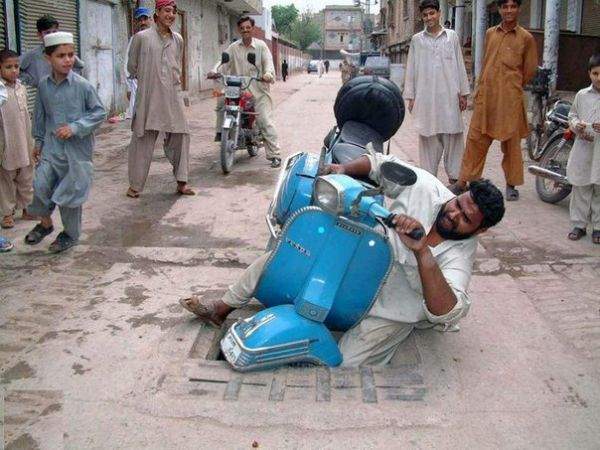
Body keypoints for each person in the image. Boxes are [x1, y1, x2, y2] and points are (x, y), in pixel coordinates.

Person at [180, 152, 505, 366]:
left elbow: (446, 310)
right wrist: (342, 169)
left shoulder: (462, 253)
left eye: (465, 219)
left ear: (482, 231)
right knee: (285, 257)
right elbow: (378, 162)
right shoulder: (425, 187)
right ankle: (220, 309)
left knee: (345, 363)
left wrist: (423, 253)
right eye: (458, 204)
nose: (453, 214)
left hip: (395, 307)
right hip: (365, 262)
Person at [24, 32, 106, 253]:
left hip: (77, 152)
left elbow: (99, 112)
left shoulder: (82, 86)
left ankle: (69, 235)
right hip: (51, 148)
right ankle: (46, 224)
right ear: (47, 58)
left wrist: (76, 127)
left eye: (71, 54)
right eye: (61, 55)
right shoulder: (43, 86)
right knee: (40, 186)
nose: (68, 59)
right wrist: (38, 142)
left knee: (70, 197)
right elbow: (40, 115)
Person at [448, 0, 537, 201]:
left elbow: (529, 70)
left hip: (510, 99)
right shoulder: (490, 33)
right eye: (505, 7)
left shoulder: (526, 38)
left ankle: (511, 184)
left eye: (513, 6)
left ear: (519, 9)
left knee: (512, 144)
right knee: (475, 140)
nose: (509, 10)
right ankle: (464, 181)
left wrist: (510, 85)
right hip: (486, 96)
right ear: (498, 9)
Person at [126, 0, 195, 198]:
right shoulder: (142, 38)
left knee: (182, 134)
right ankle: (135, 186)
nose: (171, 15)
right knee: (142, 139)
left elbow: (176, 67)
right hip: (148, 95)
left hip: (172, 95)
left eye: (173, 11)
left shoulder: (178, 39)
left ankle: (182, 182)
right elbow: (132, 67)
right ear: (157, 12)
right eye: (167, 10)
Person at [404, 0, 470, 185]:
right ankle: (429, 182)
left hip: (450, 98)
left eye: (432, 13)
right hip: (426, 100)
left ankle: (456, 180)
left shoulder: (452, 37)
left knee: (454, 138)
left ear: (439, 13)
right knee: (427, 137)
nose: (429, 18)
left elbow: (459, 65)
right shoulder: (417, 40)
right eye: (425, 15)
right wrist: (411, 97)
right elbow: (411, 69)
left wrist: (463, 93)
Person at [209, 16, 282, 168]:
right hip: (238, 88)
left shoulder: (261, 46)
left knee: (264, 119)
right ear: (239, 30)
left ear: (253, 28)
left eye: (248, 27)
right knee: (221, 102)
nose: (245, 30)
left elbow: (268, 63)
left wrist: (267, 74)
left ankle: (274, 154)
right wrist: (214, 70)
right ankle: (221, 134)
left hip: (258, 89)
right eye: (242, 28)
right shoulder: (234, 47)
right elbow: (223, 61)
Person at [566, 53, 600, 244]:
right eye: (595, 73)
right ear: (589, 74)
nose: (599, 78)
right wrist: (577, 126)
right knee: (581, 187)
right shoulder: (581, 95)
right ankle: (579, 225)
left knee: (599, 191)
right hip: (584, 147)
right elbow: (572, 115)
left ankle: (598, 227)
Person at [0, 49, 35, 230]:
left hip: (25, 141)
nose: (14, 70)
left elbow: (27, 116)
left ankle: (27, 208)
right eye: (8, 67)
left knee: (27, 177)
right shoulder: (0, 91)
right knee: (6, 180)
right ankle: (7, 213)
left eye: (16, 66)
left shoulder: (21, 87)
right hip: (7, 143)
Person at [19, 15, 85, 88]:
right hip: (46, 92)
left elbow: (79, 66)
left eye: (54, 32)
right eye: (47, 33)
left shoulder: (65, 51)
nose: (51, 35)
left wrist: (70, 79)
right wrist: (32, 80)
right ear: (39, 35)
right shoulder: (33, 54)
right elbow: (16, 67)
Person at [124, 7, 152, 120]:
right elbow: (127, 63)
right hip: (138, 82)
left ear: (151, 19)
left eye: (145, 19)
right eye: (140, 20)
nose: (143, 22)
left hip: (155, 83)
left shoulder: (158, 38)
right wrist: (128, 87)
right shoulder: (134, 39)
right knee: (139, 118)